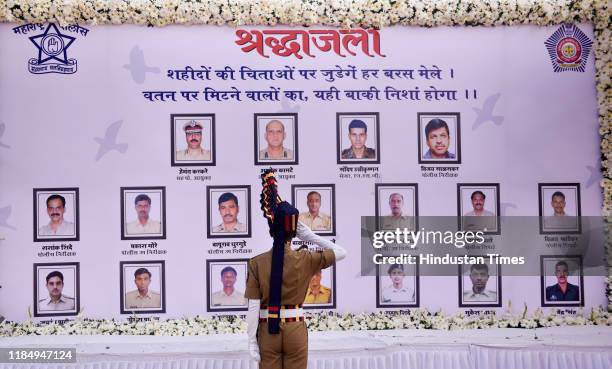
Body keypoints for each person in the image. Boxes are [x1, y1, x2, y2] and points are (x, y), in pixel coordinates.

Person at [245, 170, 347, 369]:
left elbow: (253, 307)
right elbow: (341, 252)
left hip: (267, 329)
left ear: (272, 229)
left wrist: (250, 340)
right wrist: (309, 235)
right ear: (295, 231)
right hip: (295, 328)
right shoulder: (306, 258)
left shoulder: (256, 263)